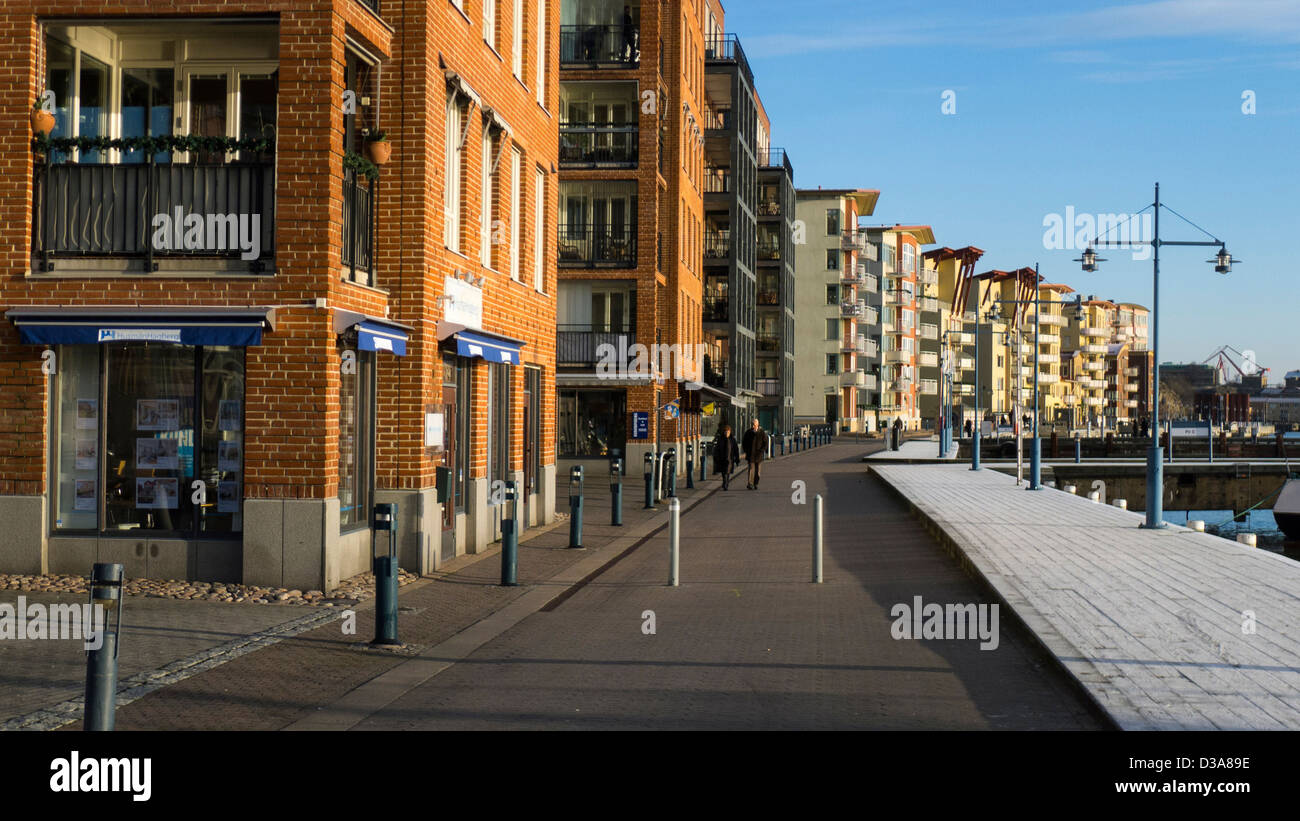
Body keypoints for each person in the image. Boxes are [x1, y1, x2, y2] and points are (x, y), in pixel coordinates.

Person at [742, 418, 769, 490]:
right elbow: (744, 442)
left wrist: (762, 450)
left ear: (757, 425)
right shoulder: (748, 432)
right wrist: (746, 451)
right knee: (751, 469)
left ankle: (756, 483)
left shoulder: (761, 432)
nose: (753, 426)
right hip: (750, 454)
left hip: (758, 455)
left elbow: (765, 443)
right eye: (752, 424)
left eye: (754, 425)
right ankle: (750, 483)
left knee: (757, 471)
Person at [712, 424, 740, 491]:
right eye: (725, 432)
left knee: (727, 472)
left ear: (730, 432)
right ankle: (725, 482)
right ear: (724, 432)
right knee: (723, 472)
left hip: (730, 459)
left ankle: (726, 484)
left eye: (728, 432)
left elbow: (736, 449)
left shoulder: (732, 440)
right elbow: (717, 449)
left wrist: (737, 458)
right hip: (722, 458)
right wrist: (716, 457)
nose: (727, 433)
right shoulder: (720, 439)